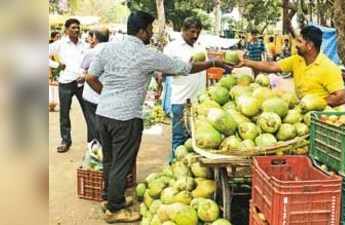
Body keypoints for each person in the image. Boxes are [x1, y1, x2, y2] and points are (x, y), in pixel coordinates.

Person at [86, 11, 229, 223]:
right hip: (126, 118)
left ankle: (109, 198)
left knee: (109, 159)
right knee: (121, 164)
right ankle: (115, 209)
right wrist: (211, 64)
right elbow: (184, 68)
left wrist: (108, 96)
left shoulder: (108, 49)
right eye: (150, 29)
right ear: (142, 31)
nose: (152, 33)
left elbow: (90, 77)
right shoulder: (147, 54)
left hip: (103, 114)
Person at [236, 25, 345, 106]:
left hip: (319, 119)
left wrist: (313, 104)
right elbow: (272, 66)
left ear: (309, 46)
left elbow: (340, 97)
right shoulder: (297, 60)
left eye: (299, 41)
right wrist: (246, 62)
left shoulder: (329, 67)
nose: (296, 45)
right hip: (302, 112)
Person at [163, 17, 207, 160]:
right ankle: (175, 167)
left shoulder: (200, 46)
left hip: (200, 102)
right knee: (179, 138)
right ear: (183, 30)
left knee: (196, 138)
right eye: (192, 32)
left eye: (198, 32)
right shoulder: (172, 47)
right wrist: (185, 67)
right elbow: (163, 71)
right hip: (181, 100)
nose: (195, 35)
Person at [49, 18, 90, 153]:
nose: (76, 30)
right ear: (66, 30)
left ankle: (93, 141)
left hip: (81, 83)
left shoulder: (84, 45)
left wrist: (85, 73)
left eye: (78, 27)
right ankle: (65, 141)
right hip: (65, 82)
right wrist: (57, 65)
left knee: (89, 112)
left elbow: (90, 60)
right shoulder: (60, 44)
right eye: (73, 27)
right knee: (64, 114)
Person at [80, 27, 110, 145]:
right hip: (108, 95)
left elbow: (84, 68)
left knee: (93, 126)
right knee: (105, 126)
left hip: (92, 96)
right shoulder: (114, 52)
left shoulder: (91, 53)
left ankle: (95, 156)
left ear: (94, 38)